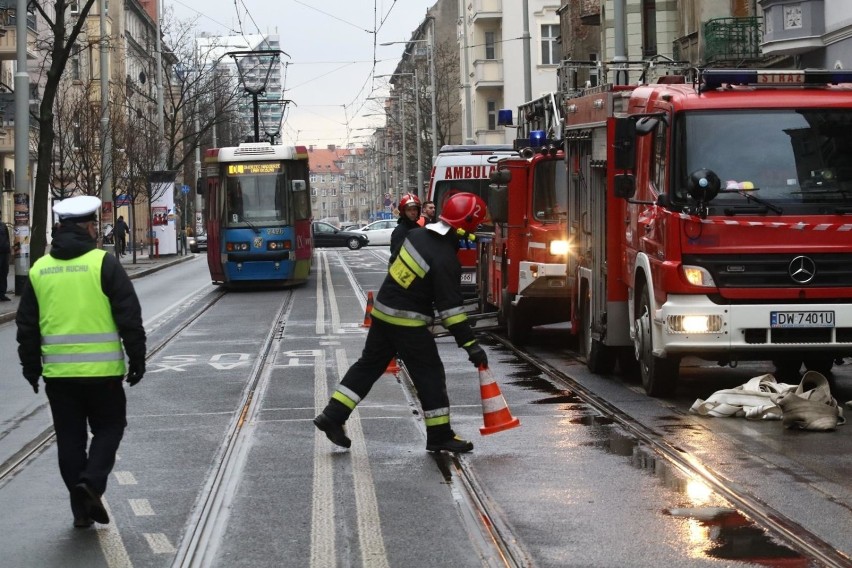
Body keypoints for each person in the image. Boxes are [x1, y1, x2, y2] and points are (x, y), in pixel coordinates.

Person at [314, 192, 489, 454]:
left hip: (383, 313)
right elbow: (451, 312)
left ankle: (332, 416)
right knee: (429, 374)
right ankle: (440, 435)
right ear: (467, 223)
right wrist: (471, 346)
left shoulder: (417, 236)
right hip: (408, 322)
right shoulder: (444, 259)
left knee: (368, 366)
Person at [15, 195, 146, 528]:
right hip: (103, 374)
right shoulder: (104, 264)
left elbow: (27, 325)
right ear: (89, 227)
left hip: (59, 376)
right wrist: (137, 357)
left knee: (70, 440)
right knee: (110, 427)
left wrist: (30, 367)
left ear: (60, 228)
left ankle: (81, 511)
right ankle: (92, 482)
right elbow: (129, 316)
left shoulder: (40, 269)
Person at [389, 192, 421, 265]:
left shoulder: (418, 227)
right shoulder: (399, 231)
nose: (413, 212)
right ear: (404, 212)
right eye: (409, 210)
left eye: (415, 209)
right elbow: (395, 254)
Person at [0, 222, 10, 301]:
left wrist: (9, 250)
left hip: (5, 252)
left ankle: (2, 294)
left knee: (4, 273)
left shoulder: (3, 225)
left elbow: (7, 238)